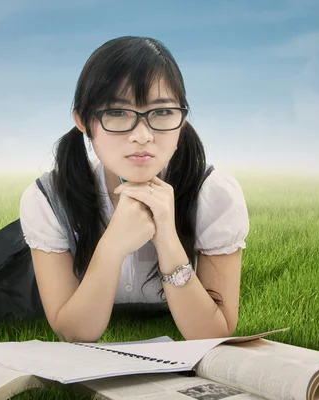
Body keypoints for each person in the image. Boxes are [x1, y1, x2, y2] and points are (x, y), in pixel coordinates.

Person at [19, 36, 250, 343]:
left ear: (182, 121)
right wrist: (113, 245)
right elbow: (74, 332)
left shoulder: (214, 194)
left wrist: (167, 240)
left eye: (162, 113)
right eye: (117, 113)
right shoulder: (49, 199)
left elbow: (213, 333)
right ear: (83, 121)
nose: (142, 136)